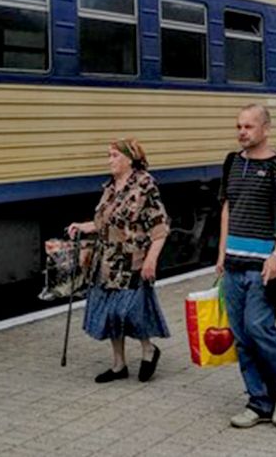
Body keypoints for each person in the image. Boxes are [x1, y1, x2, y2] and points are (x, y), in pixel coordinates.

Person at [217, 104, 276, 429]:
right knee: (241, 336)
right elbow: (227, 208)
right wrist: (221, 254)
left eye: (249, 127)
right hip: (234, 264)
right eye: (239, 126)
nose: (242, 131)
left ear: (265, 129)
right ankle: (258, 401)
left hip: (262, 267)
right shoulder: (231, 163)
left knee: (259, 328)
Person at [67, 139, 169, 383]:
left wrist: (151, 260)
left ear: (128, 158)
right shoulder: (110, 187)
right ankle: (118, 364)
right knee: (111, 314)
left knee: (130, 312)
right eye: (108, 155)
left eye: (113, 155)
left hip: (131, 261)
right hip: (105, 262)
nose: (109, 160)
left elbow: (160, 228)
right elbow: (104, 223)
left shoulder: (145, 185)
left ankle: (148, 350)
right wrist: (82, 226)